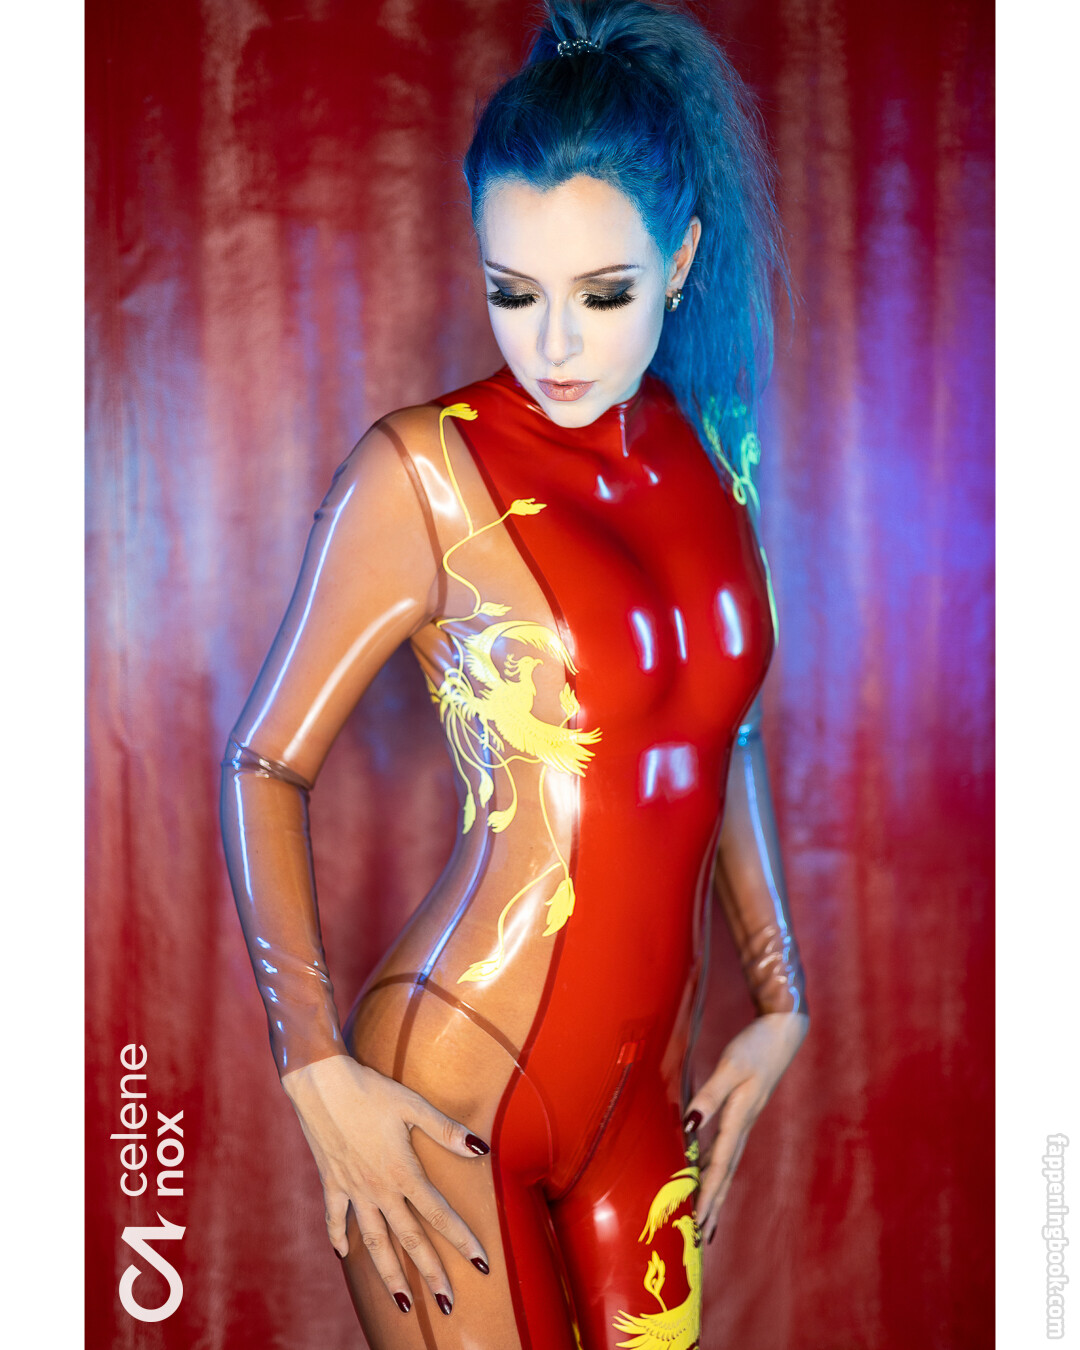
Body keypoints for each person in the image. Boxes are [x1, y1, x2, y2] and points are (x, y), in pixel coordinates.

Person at [219, 1, 810, 1345]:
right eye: (512, 292)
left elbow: (721, 732)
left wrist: (780, 997)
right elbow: (261, 761)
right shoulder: (423, 473)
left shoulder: (716, 454)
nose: (552, 347)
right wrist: (314, 1069)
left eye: (603, 295)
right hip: (452, 1082)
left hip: (641, 1097)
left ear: (683, 257)